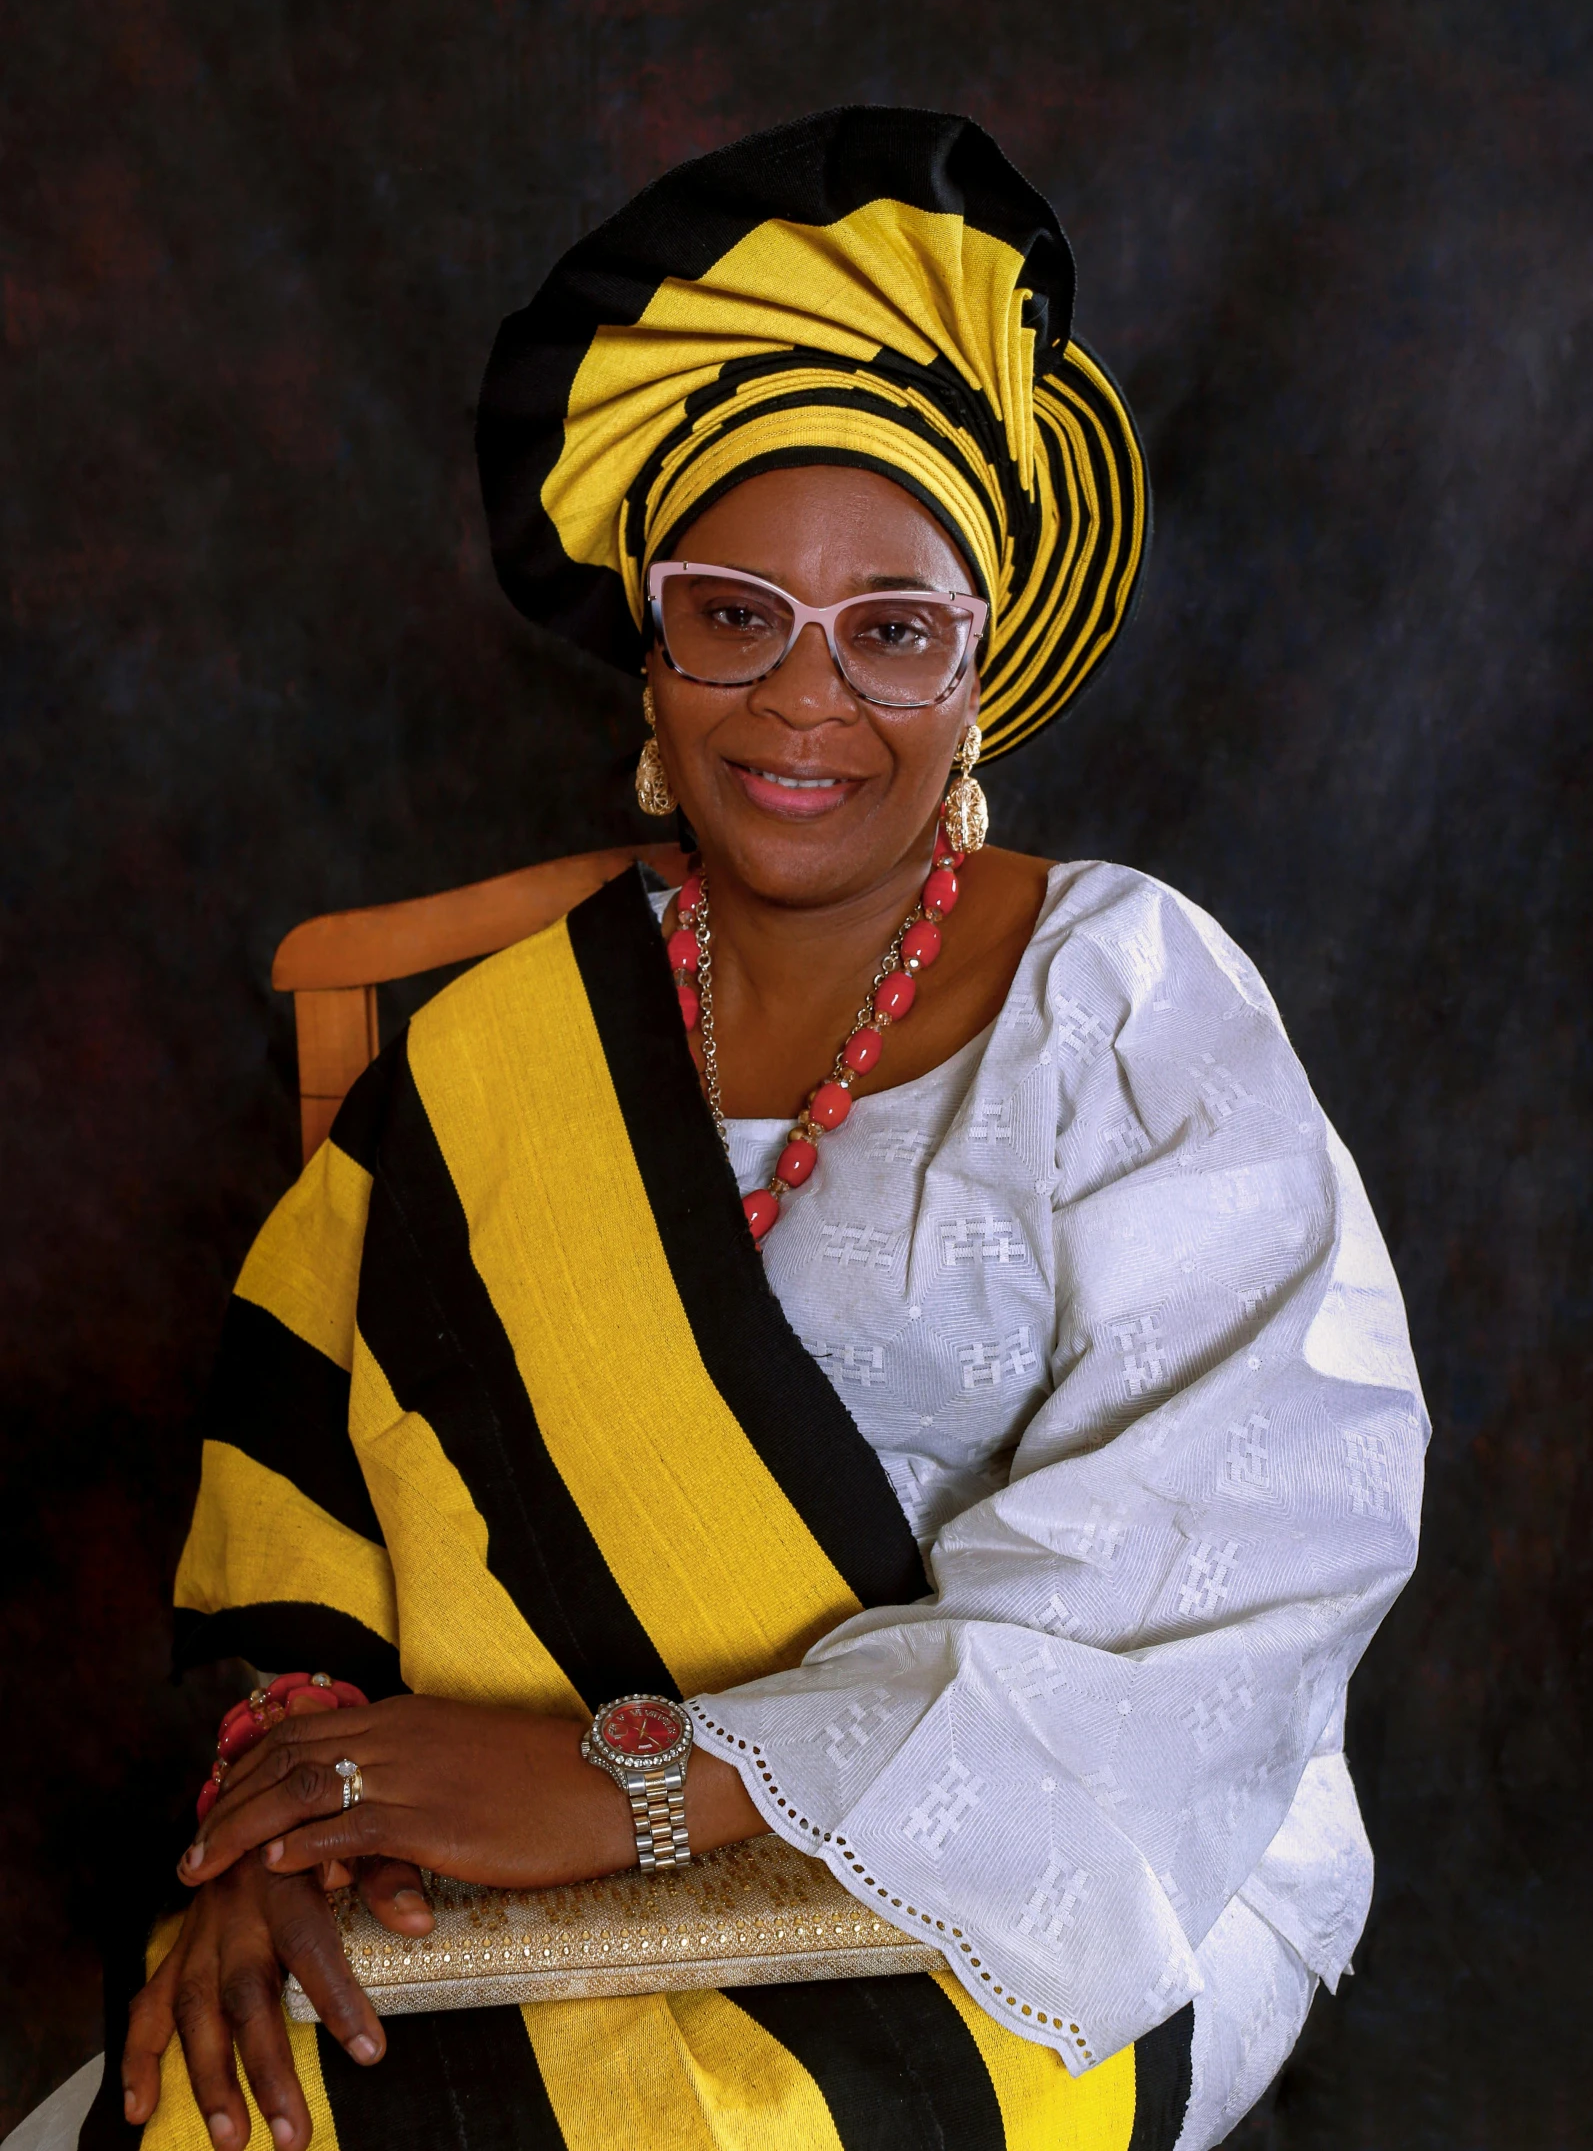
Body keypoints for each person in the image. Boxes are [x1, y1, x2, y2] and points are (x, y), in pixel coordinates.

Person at [80, 108, 1422, 2151]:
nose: (807, 700)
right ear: (654, 650)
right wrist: (307, 1813)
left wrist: (642, 1784)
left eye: (891, 626)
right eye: (734, 614)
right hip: (516, 1864)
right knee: (232, 2107)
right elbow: (304, 1486)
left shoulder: (1122, 1000)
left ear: (978, 679)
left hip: (1046, 1859)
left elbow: (1217, 1567)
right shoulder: (500, 1051)